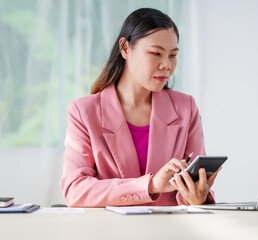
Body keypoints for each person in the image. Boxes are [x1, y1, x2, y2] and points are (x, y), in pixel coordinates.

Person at [60, 8, 221, 207]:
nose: (166, 65)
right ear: (125, 48)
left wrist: (197, 197)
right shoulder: (83, 112)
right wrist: (150, 186)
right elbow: (75, 190)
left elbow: (193, 189)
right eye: (156, 53)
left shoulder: (185, 108)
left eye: (172, 55)